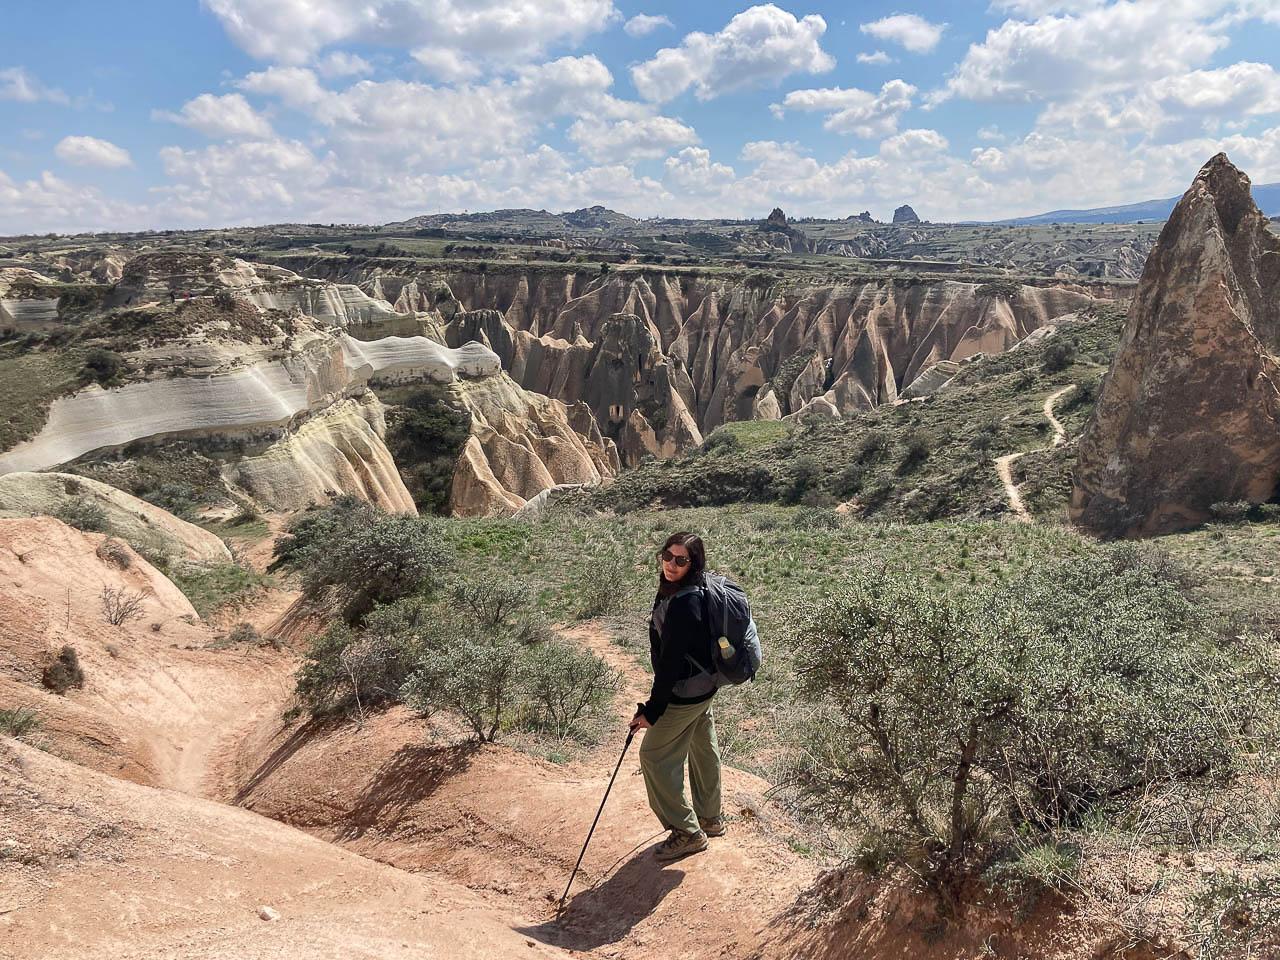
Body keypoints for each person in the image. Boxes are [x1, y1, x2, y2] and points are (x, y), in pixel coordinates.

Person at [629, 531, 724, 863]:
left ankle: (687, 832)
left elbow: (670, 664)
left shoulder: (684, 603)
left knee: (653, 756)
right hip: (705, 685)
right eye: (667, 556)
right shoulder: (688, 588)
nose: (671, 564)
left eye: (680, 560)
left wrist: (652, 711)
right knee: (702, 746)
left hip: (686, 692)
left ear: (692, 564)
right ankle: (710, 818)